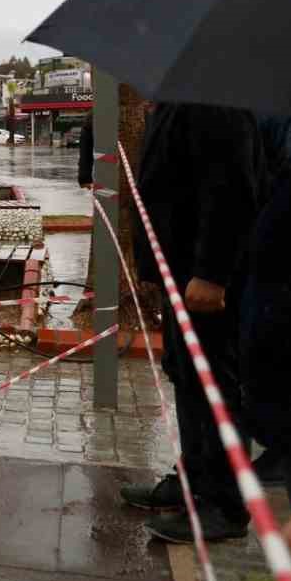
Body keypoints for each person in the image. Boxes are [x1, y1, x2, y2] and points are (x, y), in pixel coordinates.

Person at [119, 102, 261, 543]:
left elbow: (232, 187)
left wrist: (212, 272)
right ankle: (194, 481)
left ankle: (223, 504)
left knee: (213, 385)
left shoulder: (213, 96)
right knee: (185, 376)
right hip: (178, 273)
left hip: (204, 283)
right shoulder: (176, 98)